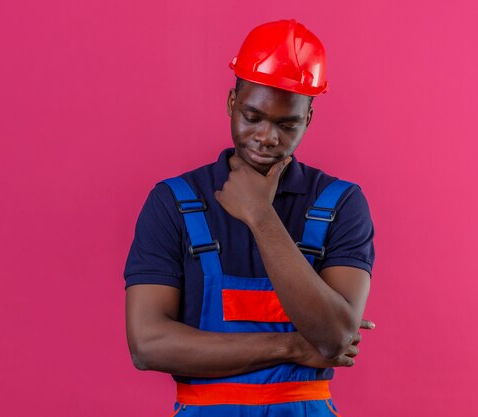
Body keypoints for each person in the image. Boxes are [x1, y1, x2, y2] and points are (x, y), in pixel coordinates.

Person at [124, 19, 375, 417]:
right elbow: (148, 345)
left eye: (286, 123)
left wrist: (260, 215)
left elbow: (333, 337)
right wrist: (291, 346)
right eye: (252, 116)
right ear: (231, 103)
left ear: (308, 119)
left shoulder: (341, 203)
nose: (266, 137)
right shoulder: (173, 201)